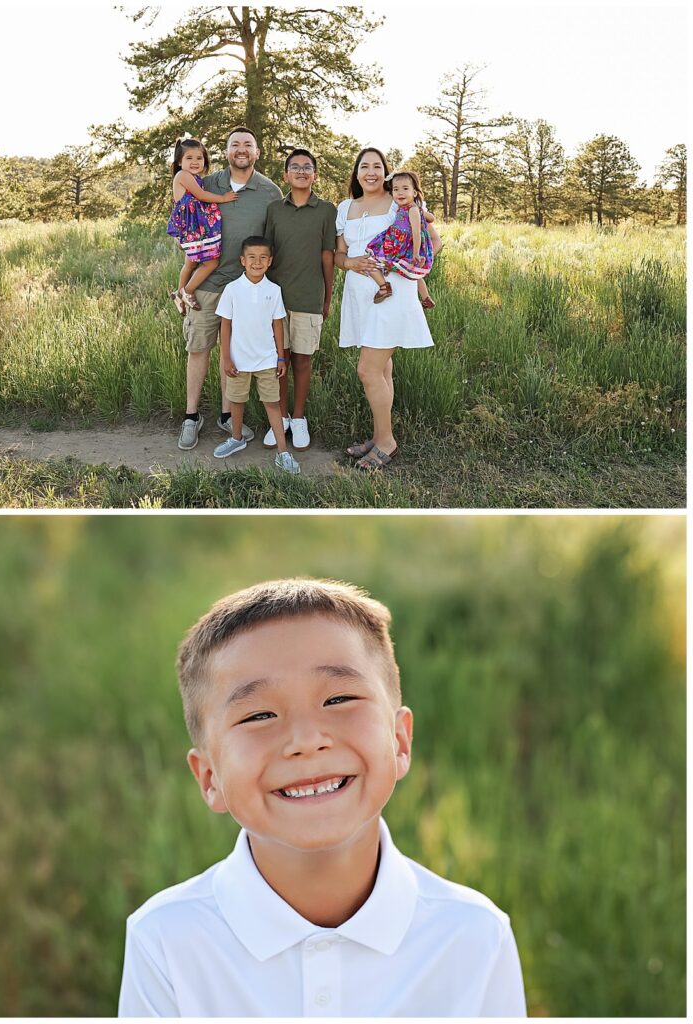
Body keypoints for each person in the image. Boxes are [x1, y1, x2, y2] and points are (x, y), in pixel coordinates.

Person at [118, 578, 527, 1017]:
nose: (306, 740)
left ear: (400, 741)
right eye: (259, 715)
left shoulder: (475, 935)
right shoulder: (164, 939)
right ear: (210, 778)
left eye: (339, 699)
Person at [177, 127, 282, 451]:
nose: (241, 149)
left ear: (257, 152)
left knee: (233, 352)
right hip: (207, 285)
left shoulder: (269, 191)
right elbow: (185, 220)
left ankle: (227, 415)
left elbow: (273, 242)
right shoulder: (206, 184)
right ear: (225, 152)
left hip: (245, 289)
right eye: (234, 144)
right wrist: (185, 280)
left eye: (247, 145)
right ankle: (191, 416)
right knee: (199, 347)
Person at [334, 148, 433, 471]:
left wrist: (406, 267)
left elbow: (433, 239)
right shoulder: (345, 207)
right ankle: (378, 437)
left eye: (378, 166)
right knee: (382, 369)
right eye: (365, 166)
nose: (371, 172)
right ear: (357, 172)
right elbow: (339, 255)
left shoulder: (399, 201)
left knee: (368, 370)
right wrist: (349, 262)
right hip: (359, 295)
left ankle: (387, 441)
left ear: (387, 173)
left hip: (391, 293)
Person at [263, 149, 336, 451]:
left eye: (308, 167)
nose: (302, 171)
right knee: (280, 361)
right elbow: (266, 254)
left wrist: (327, 297)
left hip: (309, 297)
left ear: (315, 175)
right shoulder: (274, 210)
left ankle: (299, 417)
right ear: (286, 175)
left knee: (302, 360)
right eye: (295, 167)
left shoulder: (326, 210)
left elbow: (328, 256)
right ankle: (279, 419)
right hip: (277, 299)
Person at [214, 238, 300, 475]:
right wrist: (227, 359)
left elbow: (278, 325)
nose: (257, 262)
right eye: (251, 257)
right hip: (238, 360)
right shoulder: (232, 289)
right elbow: (225, 326)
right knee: (237, 400)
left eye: (263, 257)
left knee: (273, 403)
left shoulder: (274, 290)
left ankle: (283, 452)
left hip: (267, 360)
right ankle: (236, 438)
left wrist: (281, 358)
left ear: (270, 261)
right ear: (242, 260)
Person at [166, 138, 239, 316]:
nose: (195, 162)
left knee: (190, 264)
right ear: (179, 161)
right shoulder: (182, 176)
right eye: (189, 158)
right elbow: (201, 195)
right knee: (211, 262)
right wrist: (223, 198)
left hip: (196, 229)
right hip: (192, 229)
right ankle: (187, 290)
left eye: (199, 158)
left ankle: (178, 294)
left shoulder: (196, 178)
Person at [365, 170, 434, 303]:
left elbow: (416, 232)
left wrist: (415, 253)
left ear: (414, 193)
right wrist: (424, 214)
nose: (400, 192)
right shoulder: (411, 208)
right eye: (396, 189)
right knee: (413, 273)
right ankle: (426, 298)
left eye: (405, 188)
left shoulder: (413, 210)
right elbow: (431, 218)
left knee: (372, 259)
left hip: (401, 244)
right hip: (397, 241)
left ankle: (384, 287)